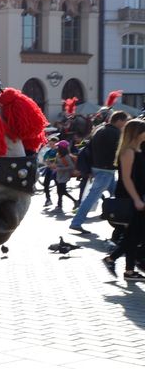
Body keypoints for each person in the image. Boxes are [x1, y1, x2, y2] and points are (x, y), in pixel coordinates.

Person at [71, 111, 129, 233]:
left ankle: (124, 220)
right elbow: (119, 152)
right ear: (119, 120)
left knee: (119, 193)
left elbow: (88, 149)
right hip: (106, 170)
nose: (125, 124)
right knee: (92, 197)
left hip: (98, 168)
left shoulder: (99, 130)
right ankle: (76, 222)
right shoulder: (115, 133)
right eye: (125, 121)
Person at [104, 120, 145, 280]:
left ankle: (122, 266)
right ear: (136, 133)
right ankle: (123, 266)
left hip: (138, 196)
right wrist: (136, 199)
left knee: (133, 234)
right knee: (135, 234)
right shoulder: (128, 152)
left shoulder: (138, 150)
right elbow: (126, 179)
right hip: (131, 197)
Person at [50, 141, 78, 212]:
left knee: (62, 191)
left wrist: (59, 168)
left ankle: (74, 201)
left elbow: (71, 166)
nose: (57, 148)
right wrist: (53, 165)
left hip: (65, 176)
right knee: (59, 191)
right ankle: (59, 205)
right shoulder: (58, 155)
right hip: (59, 175)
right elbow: (57, 163)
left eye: (58, 147)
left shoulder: (67, 156)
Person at [38, 135, 59, 206]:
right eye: (50, 144)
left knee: (59, 186)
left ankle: (60, 201)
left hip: (57, 170)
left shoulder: (59, 151)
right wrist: (47, 163)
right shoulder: (48, 152)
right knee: (46, 184)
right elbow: (44, 160)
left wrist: (55, 164)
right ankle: (48, 199)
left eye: (52, 144)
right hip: (49, 169)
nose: (51, 145)